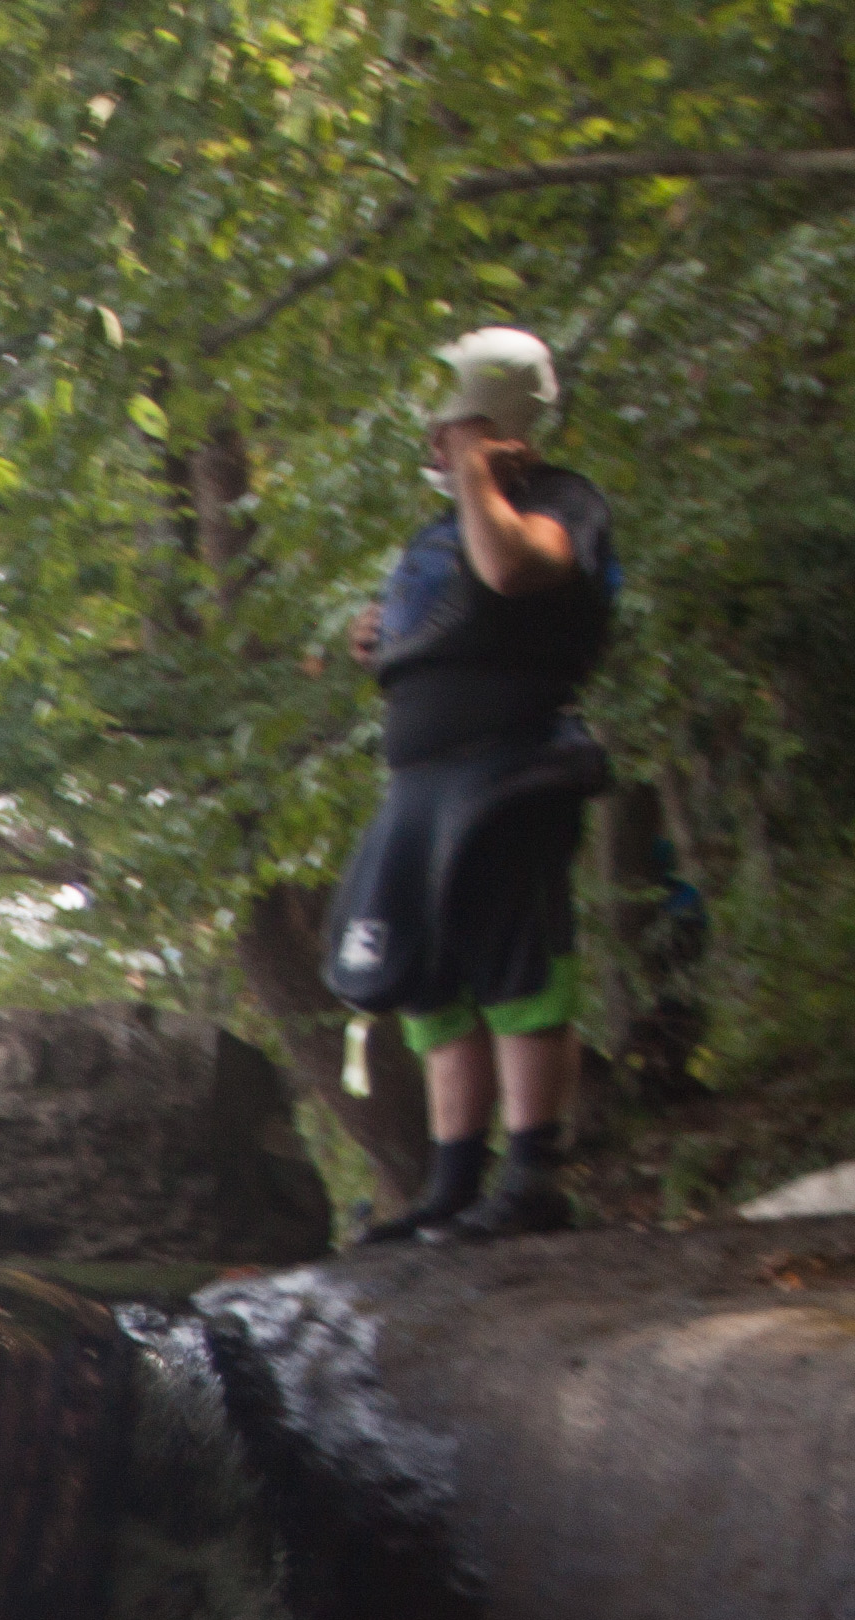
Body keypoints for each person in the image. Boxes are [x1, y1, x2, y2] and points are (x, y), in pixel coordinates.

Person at [323, 327, 617, 1241]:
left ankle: (531, 1176)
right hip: (421, 783)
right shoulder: (438, 532)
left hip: (510, 768)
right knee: (428, 978)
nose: (435, 444)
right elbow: (446, 610)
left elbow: (513, 568)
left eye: (448, 428)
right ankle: (451, 1183)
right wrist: (379, 634)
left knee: (515, 965)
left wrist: (479, 473)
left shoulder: (561, 501)